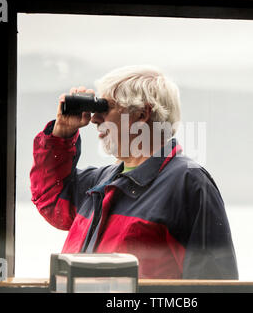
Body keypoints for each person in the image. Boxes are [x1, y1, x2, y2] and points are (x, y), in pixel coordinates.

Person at [30, 65, 238, 279]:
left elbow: (214, 281)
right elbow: (51, 200)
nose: (93, 119)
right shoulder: (102, 182)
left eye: (104, 108)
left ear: (141, 114)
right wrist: (62, 134)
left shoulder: (188, 183)